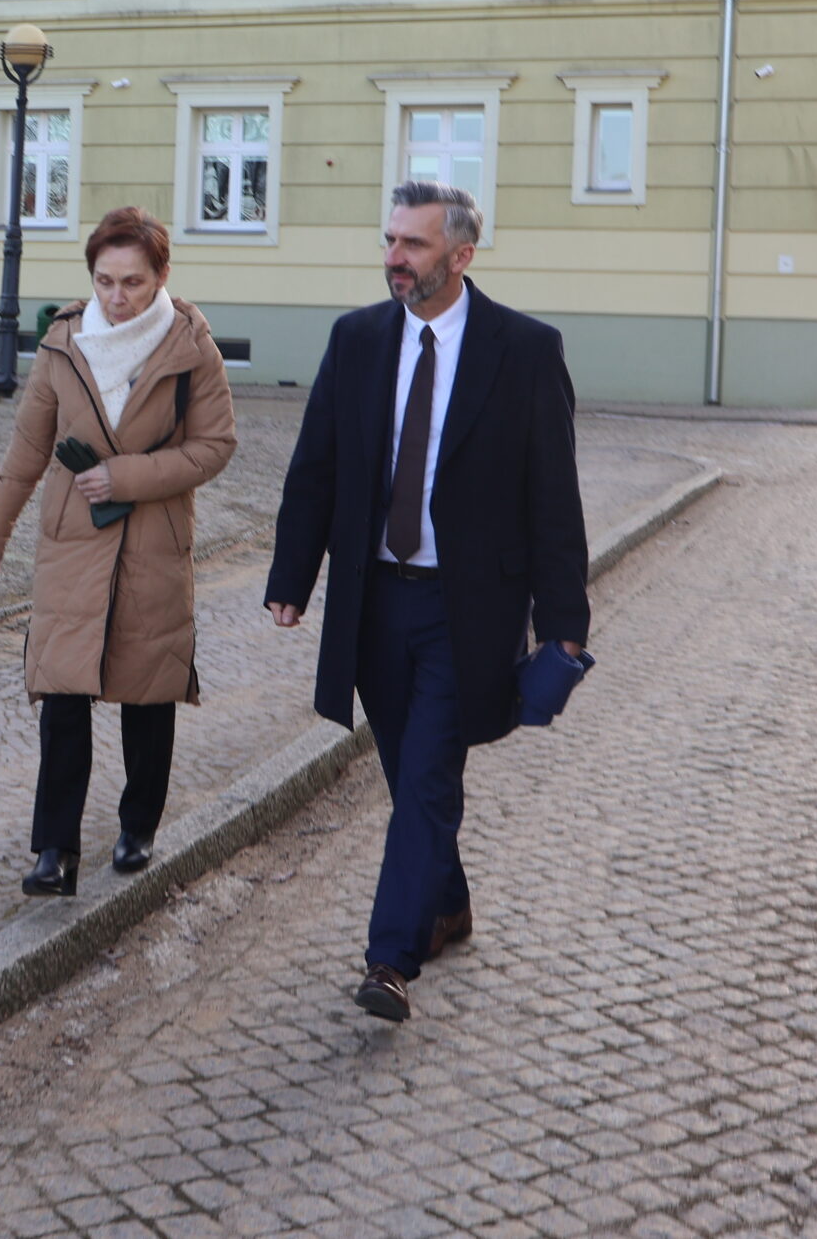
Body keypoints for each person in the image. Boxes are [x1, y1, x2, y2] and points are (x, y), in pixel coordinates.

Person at [263, 181, 589, 1021]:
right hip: (375, 603)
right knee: (412, 776)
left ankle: (390, 957)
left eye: (412, 244)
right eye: (390, 240)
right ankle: (447, 904)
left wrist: (561, 631)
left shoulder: (524, 350)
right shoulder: (358, 338)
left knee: (432, 771)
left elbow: (555, 499)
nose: (394, 258)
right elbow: (317, 467)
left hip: (464, 611)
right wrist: (290, 580)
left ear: (461, 255)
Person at [0, 207, 238, 897]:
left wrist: (127, 476)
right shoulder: (64, 341)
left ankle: (138, 824)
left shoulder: (191, 346)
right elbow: (29, 446)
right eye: (105, 280)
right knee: (63, 693)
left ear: (162, 277)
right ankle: (54, 849)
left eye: (133, 282)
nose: (117, 297)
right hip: (72, 542)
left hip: (153, 541)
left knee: (148, 692)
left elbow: (215, 445)